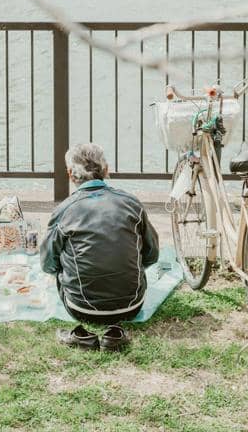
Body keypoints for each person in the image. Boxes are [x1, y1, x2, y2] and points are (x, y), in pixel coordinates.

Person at [41, 143, 159, 352]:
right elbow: (151, 255)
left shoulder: (64, 210)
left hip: (81, 309)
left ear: (70, 174)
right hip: (131, 304)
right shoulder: (131, 203)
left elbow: (48, 263)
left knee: (60, 261)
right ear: (106, 170)